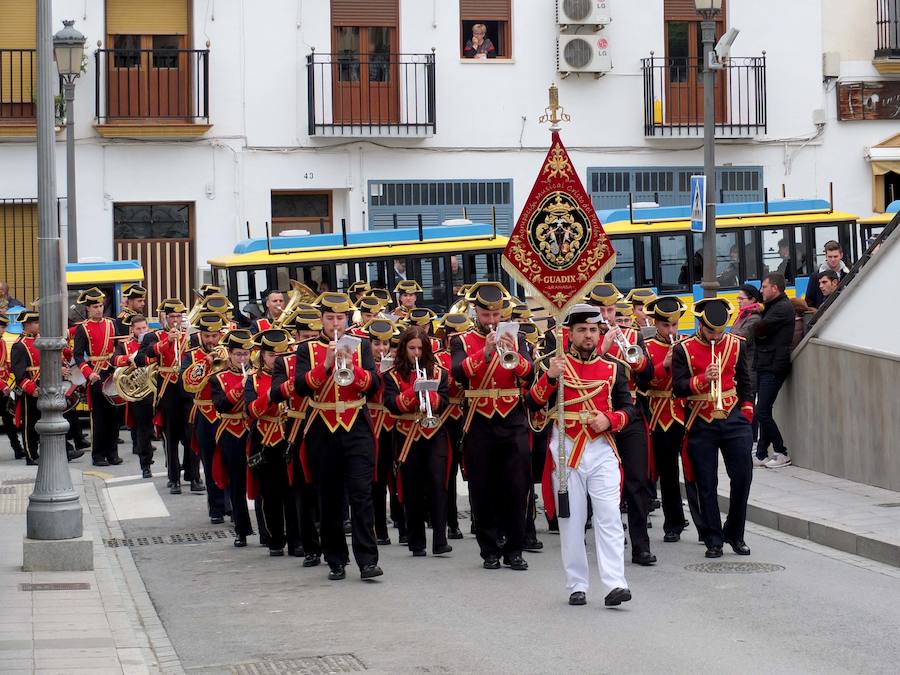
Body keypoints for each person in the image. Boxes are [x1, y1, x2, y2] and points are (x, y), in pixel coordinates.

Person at [528, 304, 634, 607]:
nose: (588, 335)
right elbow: (533, 404)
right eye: (582, 330)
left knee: (610, 516)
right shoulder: (551, 364)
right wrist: (549, 377)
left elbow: (629, 409)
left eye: (592, 330)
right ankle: (577, 584)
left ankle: (615, 583)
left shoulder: (613, 367)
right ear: (570, 333)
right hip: (565, 450)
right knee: (572, 520)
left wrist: (610, 421)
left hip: (601, 448)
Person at [293, 292, 383, 581]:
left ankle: (367, 560)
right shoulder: (306, 349)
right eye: (330, 318)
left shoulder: (362, 345)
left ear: (347, 319)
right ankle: (335, 558)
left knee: (361, 494)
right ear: (321, 319)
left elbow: (374, 384)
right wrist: (327, 365)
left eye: (340, 318)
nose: (335, 323)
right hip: (322, 426)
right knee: (329, 498)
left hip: (356, 424)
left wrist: (351, 367)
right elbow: (300, 387)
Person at [450, 282, 533, 571]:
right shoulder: (460, 341)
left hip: (512, 419)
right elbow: (458, 374)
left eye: (496, 316)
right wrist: (484, 353)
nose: (492, 322)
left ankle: (515, 549)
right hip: (479, 420)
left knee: (517, 487)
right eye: (487, 316)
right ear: (476, 312)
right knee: (482, 488)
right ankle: (489, 550)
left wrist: (515, 355)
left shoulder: (518, 337)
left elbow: (530, 374)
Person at [672, 298, 755, 559]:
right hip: (700, 419)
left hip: (732, 416)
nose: (716, 337)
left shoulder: (736, 344)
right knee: (706, 482)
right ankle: (713, 538)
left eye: (720, 332)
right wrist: (700, 380)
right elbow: (678, 388)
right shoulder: (683, 349)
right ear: (700, 325)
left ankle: (735, 532)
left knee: (743, 476)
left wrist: (747, 409)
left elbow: (745, 380)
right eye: (710, 332)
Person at [587, 282, 657, 567]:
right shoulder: (584, 336)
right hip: (597, 415)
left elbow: (649, 374)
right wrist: (602, 349)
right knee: (602, 483)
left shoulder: (633, 334)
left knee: (637, 480)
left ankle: (641, 545)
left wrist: (637, 360)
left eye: (611, 309)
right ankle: (610, 537)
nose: (606, 315)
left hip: (630, 411)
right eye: (601, 310)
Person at [639, 296, 705, 543]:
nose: (671, 331)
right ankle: (673, 523)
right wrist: (664, 365)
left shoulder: (686, 345)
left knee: (695, 472)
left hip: (686, 413)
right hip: (659, 415)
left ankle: (704, 527)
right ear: (656, 324)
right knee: (667, 474)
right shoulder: (645, 346)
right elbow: (642, 384)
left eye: (674, 325)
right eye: (666, 326)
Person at [383, 325, 453, 557]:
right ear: (404, 349)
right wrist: (414, 394)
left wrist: (431, 397)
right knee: (411, 487)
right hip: (406, 433)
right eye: (411, 348)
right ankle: (416, 541)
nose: (416, 353)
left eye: (420, 349)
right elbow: (391, 404)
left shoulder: (439, 372)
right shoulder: (392, 375)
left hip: (434, 433)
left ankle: (440, 540)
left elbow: (445, 401)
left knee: (437, 483)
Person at [269, 310, 323, 567]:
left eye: (314, 336)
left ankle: (330, 540)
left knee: (327, 489)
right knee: (300, 489)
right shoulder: (285, 362)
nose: (310, 341)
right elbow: (275, 393)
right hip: (297, 426)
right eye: (305, 337)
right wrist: (298, 381)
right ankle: (306, 543)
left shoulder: (330, 356)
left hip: (326, 425)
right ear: (295, 336)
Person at [246, 328, 301, 557]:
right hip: (265, 438)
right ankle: (275, 539)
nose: (276, 360)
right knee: (270, 493)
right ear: (262, 356)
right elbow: (250, 410)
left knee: (293, 492)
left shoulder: (294, 374)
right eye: (272, 356)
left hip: (290, 434)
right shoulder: (253, 380)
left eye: (281, 356)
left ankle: (297, 541)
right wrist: (270, 395)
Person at [137, 299, 200, 493]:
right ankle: (174, 479)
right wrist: (166, 343)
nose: (175, 320)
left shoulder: (191, 338)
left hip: (188, 391)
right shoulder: (153, 336)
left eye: (178, 316)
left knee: (192, 435)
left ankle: (194, 476)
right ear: (163, 317)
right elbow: (141, 358)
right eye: (171, 316)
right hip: (167, 391)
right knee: (170, 436)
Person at [182, 312, 230, 520]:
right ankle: (216, 508)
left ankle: (232, 505)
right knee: (209, 462)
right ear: (200, 335)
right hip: (203, 414)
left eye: (215, 336)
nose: (211, 341)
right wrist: (206, 362)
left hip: (226, 414)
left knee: (230, 461)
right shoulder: (190, 355)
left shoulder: (230, 352)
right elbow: (187, 385)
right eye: (207, 337)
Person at [210, 329, 255, 547]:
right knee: (236, 483)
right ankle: (241, 529)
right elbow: (220, 405)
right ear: (230, 354)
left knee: (261, 481)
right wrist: (240, 386)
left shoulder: (257, 375)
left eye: (246, 354)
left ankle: (267, 532)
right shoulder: (218, 378)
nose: (242, 359)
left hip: (252, 429)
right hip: (230, 430)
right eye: (238, 354)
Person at [73, 287, 122, 467]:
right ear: (88, 308)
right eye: (95, 307)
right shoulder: (82, 329)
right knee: (100, 417)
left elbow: (118, 346)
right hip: (96, 373)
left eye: (101, 306)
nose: (99, 309)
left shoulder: (111, 324)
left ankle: (112, 453)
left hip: (111, 370)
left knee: (114, 415)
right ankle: (98, 455)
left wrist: (117, 362)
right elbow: (78, 355)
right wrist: (88, 373)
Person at [435, 313, 473, 541]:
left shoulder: (471, 354)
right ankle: (452, 523)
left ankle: (478, 519)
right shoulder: (438, 358)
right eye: (452, 335)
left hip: (468, 414)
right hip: (447, 418)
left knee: (473, 471)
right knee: (447, 474)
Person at [753, 273, 794, 468]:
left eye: (764, 287)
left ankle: (781, 452)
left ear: (775, 288)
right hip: (765, 363)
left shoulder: (782, 308)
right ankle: (761, 454)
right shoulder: (772, 306)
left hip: (774, 365)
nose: (761, 291)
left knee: (761, 411)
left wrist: (754, 315)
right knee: (763, 410)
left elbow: (759, 329)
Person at [112, 314, 156, 478]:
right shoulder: (125, 344)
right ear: (132, 330)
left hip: (156, 390)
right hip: (140, 393)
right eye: (138, 329)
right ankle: (145, 465)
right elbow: (114, 359)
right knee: (143, 431)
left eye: (144, 328)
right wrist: (128, 359)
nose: (142, 331)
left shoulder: (154, 342)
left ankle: (172, 465)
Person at [0, 314, 25, 459]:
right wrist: (3, 385)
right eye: (2, 327)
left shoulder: (2, 342)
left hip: (3, 387)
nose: (4, 331)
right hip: (1, 386)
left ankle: (17, 448)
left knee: (8, 419)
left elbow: (5, 364)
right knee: (8, 419)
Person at [805, 240, 850, 309]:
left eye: (835, 256)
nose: (832, 259)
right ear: (825, 256)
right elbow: (809, 301)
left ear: (841, 255)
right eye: (830, 257)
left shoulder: (848, 274)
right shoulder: (815, 276)